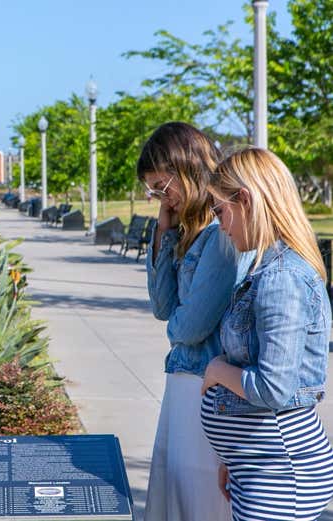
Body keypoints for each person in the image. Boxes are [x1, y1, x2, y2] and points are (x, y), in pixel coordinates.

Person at [201, 147, 333, 521]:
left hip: (280, 472)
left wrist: (215, 371)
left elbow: (274, 389)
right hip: (260, 465)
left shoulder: (281, 278)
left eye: (219, 211)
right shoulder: (270, 268)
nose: (221, 225)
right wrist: (236, 457)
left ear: (245, 199)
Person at [139, 122, 252, 521]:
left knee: (198, 501)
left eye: (160, 186)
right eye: (150, 190)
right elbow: (162, 306)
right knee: (176, 498)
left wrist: (175, 330)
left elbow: (189, 326)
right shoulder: (188, 232)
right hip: (183, 383)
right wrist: (163, 232)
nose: (158, 196)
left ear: (186, 169)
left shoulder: (222, 237)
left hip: (207, 389)